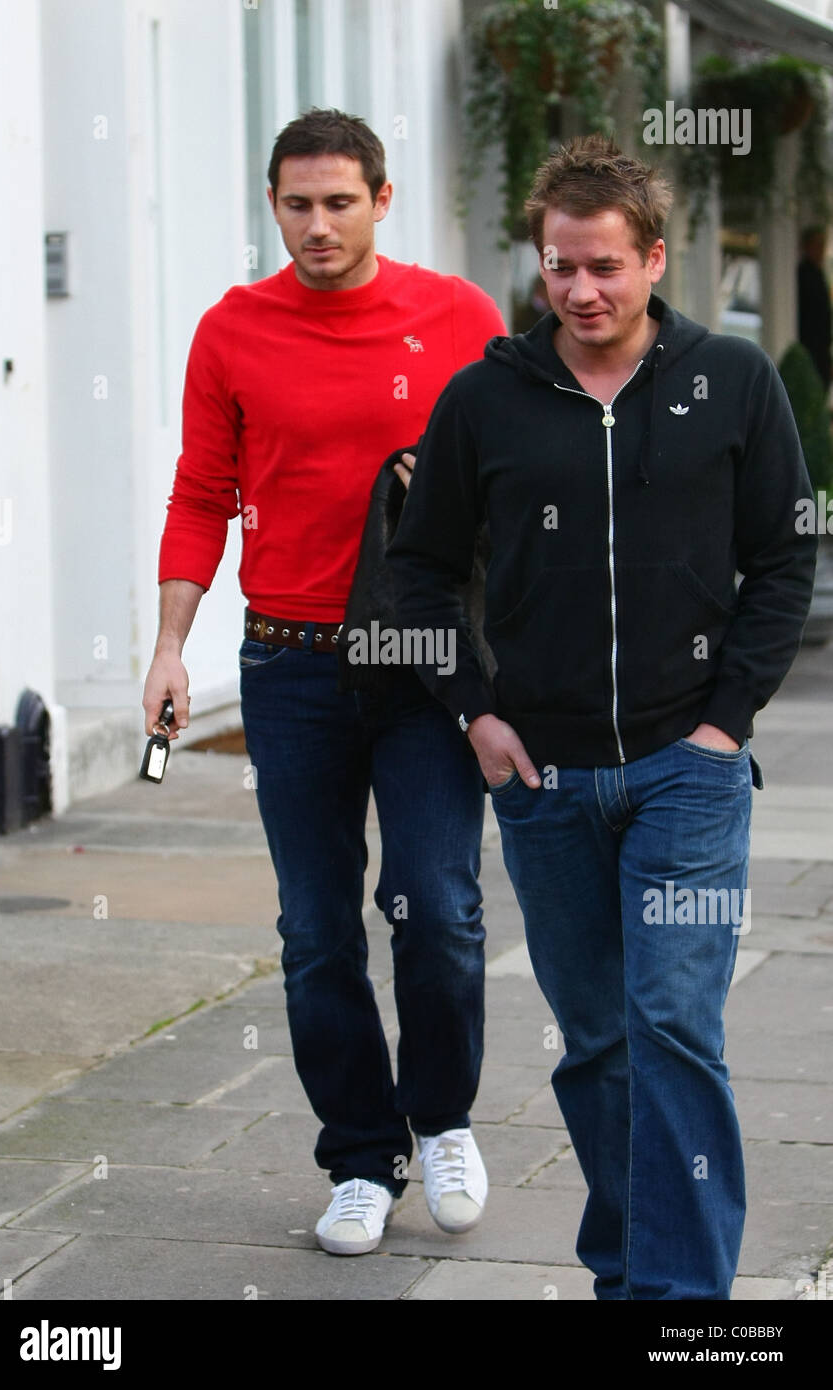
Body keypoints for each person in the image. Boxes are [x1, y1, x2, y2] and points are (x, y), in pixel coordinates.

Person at [388, 134, 817, 1299]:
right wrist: (474, 712)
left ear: (654, 260)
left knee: (672, 1023)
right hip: (543, 781)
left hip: (689, 768)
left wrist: (725, 722)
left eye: (605, 268)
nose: (580, 291)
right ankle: (630, 1271)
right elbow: (416, 573)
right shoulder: (485, 397)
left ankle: (681, 1303)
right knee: (597, 1044)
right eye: (560, 267)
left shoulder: (729, 382)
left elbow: (783, 557)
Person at [142, 108, 506, 1256]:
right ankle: (360, 1155)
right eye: (295, 204)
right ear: (273, 207)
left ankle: (440, 1117)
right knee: (314, 930)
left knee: (437, 909)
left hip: (422, 666)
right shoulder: (232, 329)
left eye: (338, 201)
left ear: (382, 201)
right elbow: (202, 492)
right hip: (290, 664)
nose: (315, 224)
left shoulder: (455, 315)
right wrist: (168, 647)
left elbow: (509, 475)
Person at [797, 225, 832, 392]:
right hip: (809, 347)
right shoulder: (803, 275)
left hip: (820, 350)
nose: (820, 250)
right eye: (816, 245)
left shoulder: (818, 275)